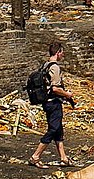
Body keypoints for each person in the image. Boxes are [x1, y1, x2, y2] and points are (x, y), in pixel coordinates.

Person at [29, 41, 76, 169]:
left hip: (46, 102)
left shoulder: (45, 65)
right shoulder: (55, 67)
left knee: (58, 129)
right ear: (58, 52)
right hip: (53, 102)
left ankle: (63, 158)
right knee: (53, 129)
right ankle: (35, 156)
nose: (63, 54)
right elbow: (55, 88)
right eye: (62, 52)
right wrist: (67, 94)